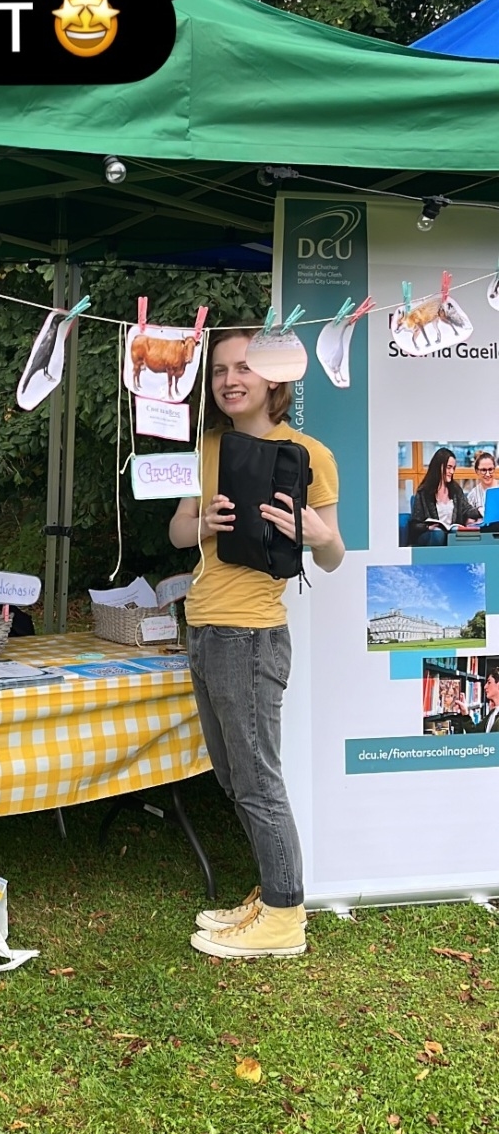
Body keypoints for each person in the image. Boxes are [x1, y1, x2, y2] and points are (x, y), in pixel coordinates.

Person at [169, 329, 345, 960]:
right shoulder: (208, 447)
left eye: (243, 367)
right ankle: (271, 893)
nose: (229, 380)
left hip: (250, 635)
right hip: (203, 627)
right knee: (233, 777)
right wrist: (200, 523)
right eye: (219, 370)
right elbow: (176, 530)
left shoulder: (309, 454)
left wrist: (317, 534)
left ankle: (284, 916)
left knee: (257, 781)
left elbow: (333, 555)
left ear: (274, 377)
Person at [408, 448, 481, 545]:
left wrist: (480, 511)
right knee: (438, 533)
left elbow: (466, 510)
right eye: (449, 467)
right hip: (430, 534)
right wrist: (428, 527)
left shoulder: (456, 490)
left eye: (453, 468)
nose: (452, 471)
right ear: (438, 467)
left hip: (451, 534)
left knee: (457, 532)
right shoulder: (423, 492)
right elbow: (414, 524)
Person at [452, 662, 499, 733]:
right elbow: (476, 732)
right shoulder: (493, 713)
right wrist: (465, 713)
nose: (485, 687)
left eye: (489, 682)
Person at [464, 451, 496, 518]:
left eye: (490, 469)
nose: (487, 474)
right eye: (483, 470)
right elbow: (467, 516)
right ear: (477, 471)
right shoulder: (473, 494)